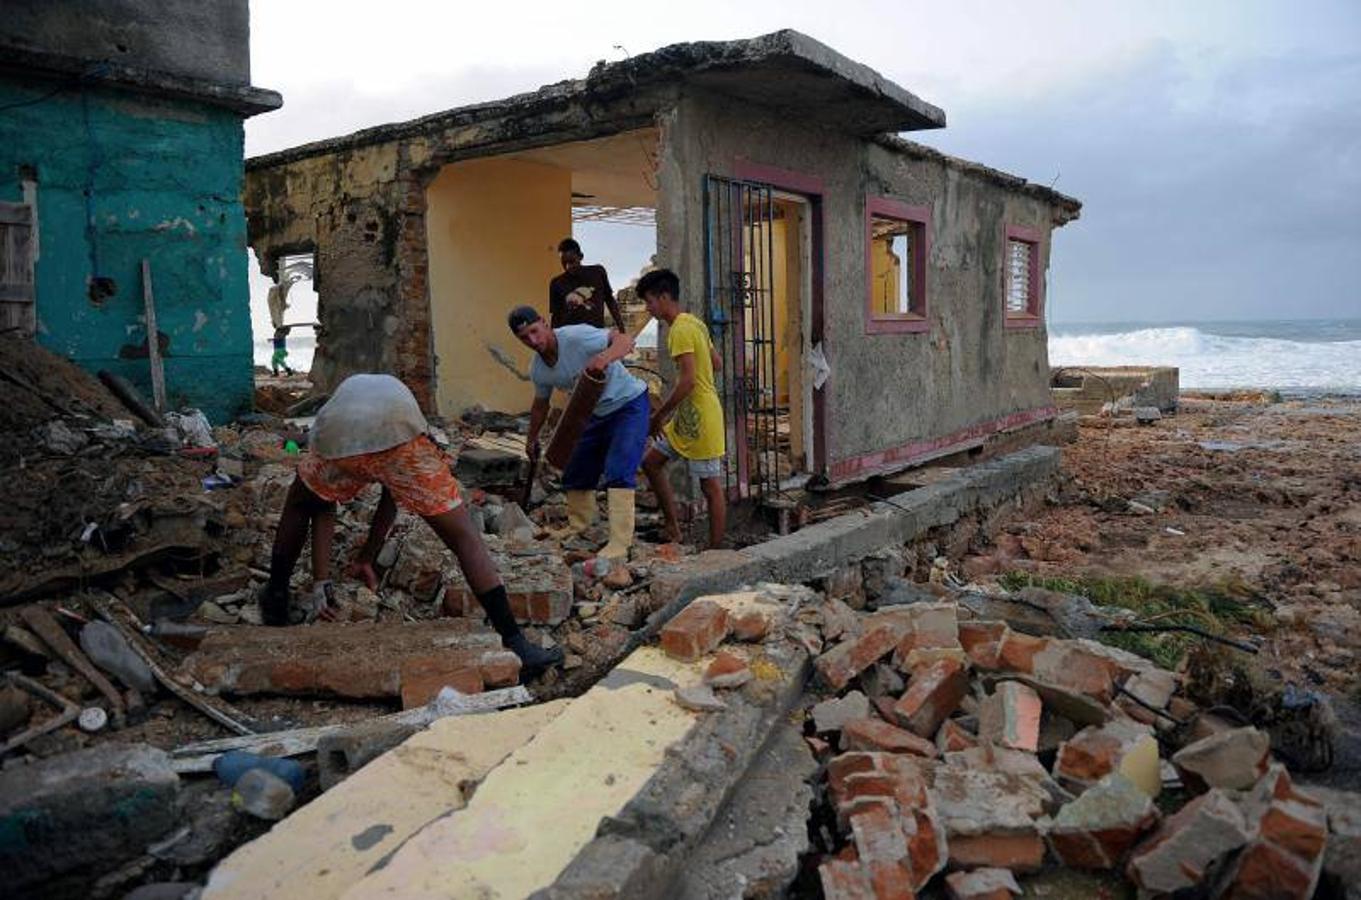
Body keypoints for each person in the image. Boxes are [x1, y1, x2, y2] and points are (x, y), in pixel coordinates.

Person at [257, 373, 563, 674]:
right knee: (465, 539)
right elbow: (395, 488)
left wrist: (334, 574)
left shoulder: (347, 399)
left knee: (301, 501)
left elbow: (327, 501)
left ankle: (276, 596)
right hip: (397, 434)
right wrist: (364, 557)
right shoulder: (414, 434)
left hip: (336, 438)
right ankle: (516, 644)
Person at [510, 305, 648, 560]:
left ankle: (620, 543)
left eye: (535, 331)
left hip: (628, 404)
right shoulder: (539, 369)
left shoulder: (577, 337)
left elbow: (625, 340)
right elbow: (541, 405)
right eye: (524, 338)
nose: (533, 341)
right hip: (594, 413)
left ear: (544, 323)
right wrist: (531, 439)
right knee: (576, 468)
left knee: (619, 469)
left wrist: (604, 358)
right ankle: (580, 526)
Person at [638, 269, 727, 549]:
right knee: (651, 462)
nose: (648, 308)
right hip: (687, 418)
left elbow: (688, 382)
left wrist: (658, 415)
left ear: (664, 297)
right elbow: (716, 363)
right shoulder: (694, 323)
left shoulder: (680, 329)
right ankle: (673, 529)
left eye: (650, 301)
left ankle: (716, 551)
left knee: (710, 487)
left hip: (702, 419)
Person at [548, 238, 626, 332]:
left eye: (572, 261)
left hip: (596, 335)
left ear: (581, 256)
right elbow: (555, 317)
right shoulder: (556, 283)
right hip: (569, 336)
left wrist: (622, 330)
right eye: (564, 263)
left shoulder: (598, 272)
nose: (568, 267)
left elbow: (610, 301)